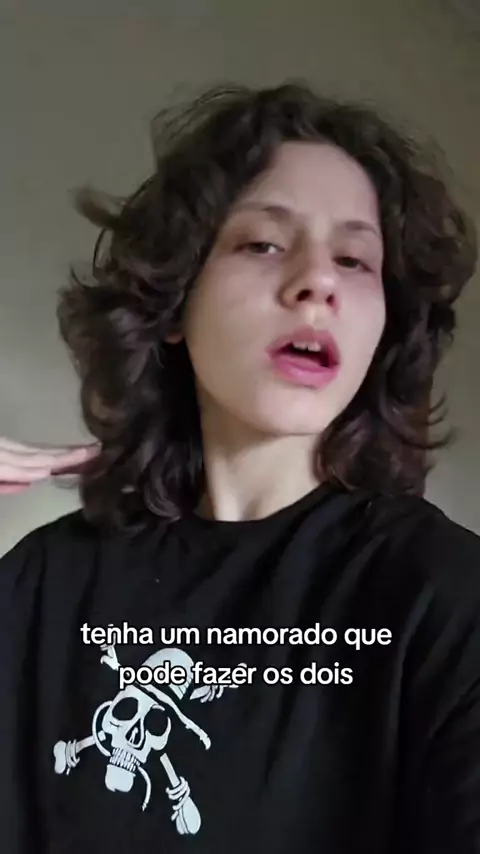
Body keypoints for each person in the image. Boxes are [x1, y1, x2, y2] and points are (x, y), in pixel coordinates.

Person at [1, 80, 479, 854]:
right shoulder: (39, 586)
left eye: (355, 259)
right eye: (263, 244)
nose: (318, 281)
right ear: (174, 303)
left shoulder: (445, 596)